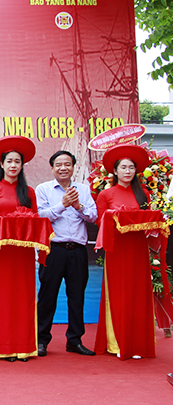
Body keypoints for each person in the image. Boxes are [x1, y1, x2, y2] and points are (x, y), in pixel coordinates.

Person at [0, 135, 38, 362]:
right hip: (2, 251)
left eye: (17, 162)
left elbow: (35, 218)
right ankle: (3, 346)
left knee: (23, 296)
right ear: (1, 164)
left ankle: (24, 347)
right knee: (3, 297)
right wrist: (0, 225)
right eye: (9, 161)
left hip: (23, 251)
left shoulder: (29, 192)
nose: (13, 165)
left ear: (22, 166)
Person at [35, 151, 97, 357]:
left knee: (77, 296)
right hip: (53, 250)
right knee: (47, 296)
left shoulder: (83, 190)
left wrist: (78, 206)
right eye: (59, 164)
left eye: (67, 164)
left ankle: (75, 340)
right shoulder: (43, 189)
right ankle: (41, 340)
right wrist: (63, 205)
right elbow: (40, 216)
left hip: (77, 250)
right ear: (52, 168)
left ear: (73, 167)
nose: (63, 168)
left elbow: (93, 216)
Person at [95, 144, 154, 359]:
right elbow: (101, 223)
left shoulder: (143, 193)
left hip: (138, 249)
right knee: (119, 294)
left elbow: (148, 221)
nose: (127, 171)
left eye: (131, 168)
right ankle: (117, 342)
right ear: (115, 171)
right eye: (123, 167)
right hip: (117, 250)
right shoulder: (106, 194)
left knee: (138, 294)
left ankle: (138, 344)